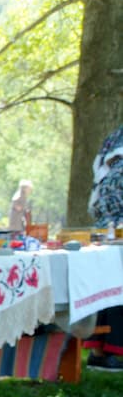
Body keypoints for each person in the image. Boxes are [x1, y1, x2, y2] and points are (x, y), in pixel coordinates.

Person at [87, 127, 123, 371]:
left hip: (106, 228)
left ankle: (102, 352)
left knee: (109, 287)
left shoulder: (114, 137)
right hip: (113, 229)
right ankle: (105, 351)